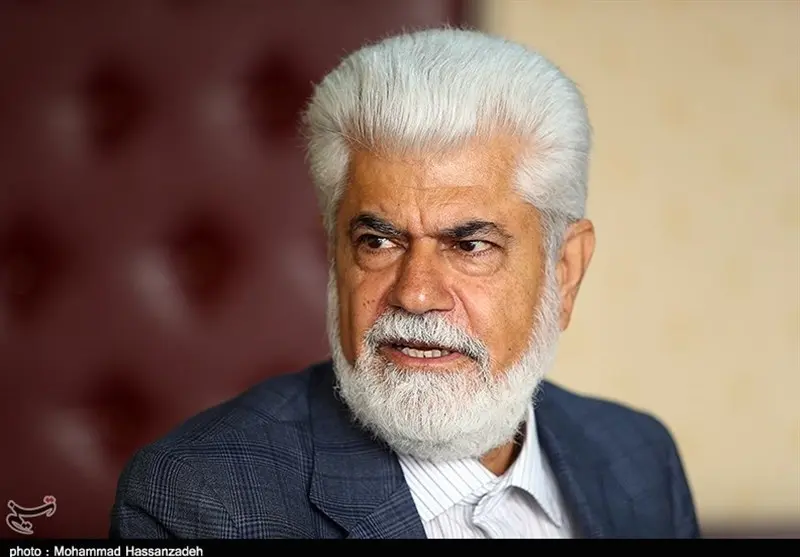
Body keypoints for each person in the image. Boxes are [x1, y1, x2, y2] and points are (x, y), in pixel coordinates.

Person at [109, 27, 700, 539]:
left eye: (470, 246)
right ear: (335, 253)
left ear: (564, 272)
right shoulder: (199, 498)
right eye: (378, 242)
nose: (415, 295)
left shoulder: (640, 458)